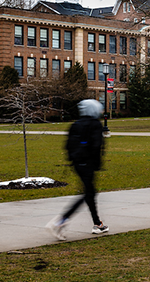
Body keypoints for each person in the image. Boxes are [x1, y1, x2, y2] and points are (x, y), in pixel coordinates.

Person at [46, 99, 108, 240]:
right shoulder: (95, 125)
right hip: (88, 163)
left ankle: (98, 224)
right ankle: (60, 222)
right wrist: (96, 165)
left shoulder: (75, 124)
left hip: (77, 164)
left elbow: (68, 145)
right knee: (88, 194)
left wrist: (74, 159)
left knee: (90, 193)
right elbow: (97, 147)